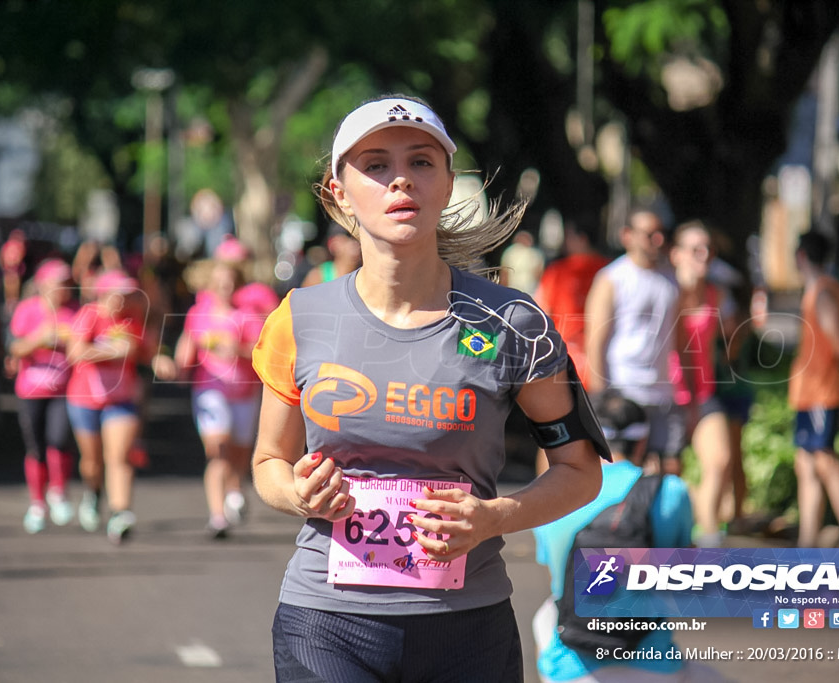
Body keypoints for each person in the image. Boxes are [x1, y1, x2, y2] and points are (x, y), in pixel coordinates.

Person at [251, 94, 605, 682]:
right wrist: (299, 495)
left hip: (468, 628)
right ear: (339, 193)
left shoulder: (513, 322)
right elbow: (268, 462)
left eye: (420, 163)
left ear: (446, 184)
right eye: (376, 166)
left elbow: (580, 471)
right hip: (327, 623)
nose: (400, 182)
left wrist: (493, 517)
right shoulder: (300, 317)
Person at [531, 390, 725, 683]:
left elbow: (556, 576)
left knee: (545, 615)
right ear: (643, 441)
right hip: (654, 667)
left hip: (571, 669)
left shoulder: (551, 493)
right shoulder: (670, 491)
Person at [156, 238, 269, 537]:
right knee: (218, 450)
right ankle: (218, 516)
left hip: (244, 390)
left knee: (240, 452)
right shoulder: (200, 312)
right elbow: (188, 344)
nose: (225, 288)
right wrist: (176, 366)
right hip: (210, 389)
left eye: (230, 282)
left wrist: (238, 348)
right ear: (210, 284)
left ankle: (236, 488)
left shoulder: (247, 313)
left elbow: (261, 353)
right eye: (219, 282)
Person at [65, 269, 165, 544]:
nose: (121, 302)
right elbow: (75, 353)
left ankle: (121, 512)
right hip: (85, 398)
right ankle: (93, 491)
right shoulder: (89, 315)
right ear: (103, 294)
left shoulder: (131, 320)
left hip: (121, 399)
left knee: (119, 456)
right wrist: (112, 351)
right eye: (116, 296)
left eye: (125, 296)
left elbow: (146, 352)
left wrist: (160, 361)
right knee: (92, 462)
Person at [585, 210, 683, 475]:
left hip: (663, 394)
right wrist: (601, 395)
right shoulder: (613, 278)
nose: (659, 240)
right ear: (627, 236)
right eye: (650, 234)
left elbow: (682, 337)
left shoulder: (671, 279)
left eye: (661, 233)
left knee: (668, 470)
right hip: (623, 390)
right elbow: (595, 340)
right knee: (620, 472)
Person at [788, 231, 839, 548]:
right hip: (809, 393)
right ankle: (807, 543)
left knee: (826, 462)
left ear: (801, 256)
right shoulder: (817, 290)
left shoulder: (823, 292)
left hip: (821, 392)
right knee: (806, 466)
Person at [668, 221, 735, 548]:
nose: (705, 255)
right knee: (669, 477)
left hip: (704, 391)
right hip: (668, 394)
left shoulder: (715, 294)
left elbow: (720, 344)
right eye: (696, 249)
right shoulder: (667, 293)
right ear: (676, 255)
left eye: (709, 249)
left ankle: (709, 540)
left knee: (720, 460)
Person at [7, 259, 79, 534]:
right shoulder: (27, 311)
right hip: (31, 390)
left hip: (64, 389)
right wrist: (40, 339)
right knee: (35, 446)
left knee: (59, 440)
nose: (63, 289)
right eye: (58, 283)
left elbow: (82, 346)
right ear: (43, 285)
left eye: (66, 283)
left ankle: (58, 491)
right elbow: (14, 347)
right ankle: (37, 503)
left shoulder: (75, 312)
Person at [534, 220, 610, 382]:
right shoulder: (610, 271)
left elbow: (541, 313)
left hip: (567, 357)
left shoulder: (557, 271)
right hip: (606, 358)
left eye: (568, 237)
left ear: (582, 239)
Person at [499, 229, 545, 295]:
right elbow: (504, 273)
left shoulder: (535, 253)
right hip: (513, 288)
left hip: (530, 290)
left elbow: (539, 273)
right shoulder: (510, 252)